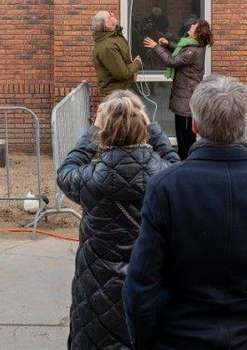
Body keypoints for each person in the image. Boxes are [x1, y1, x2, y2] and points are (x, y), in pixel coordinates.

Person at [123, 75, 247, 349]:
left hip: (178, 336)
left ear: (193, 125)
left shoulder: (166, 187)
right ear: (243, 124)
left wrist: (146, 340)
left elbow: (140, 287)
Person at [57, 91, 180, 350]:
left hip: (98, 284)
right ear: (143, 126)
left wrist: (93, 131)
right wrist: (151, 127)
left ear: (103, 132)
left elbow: (66, 170)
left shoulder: (90, 179)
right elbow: (173, 159)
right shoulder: (165, 176)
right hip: (150, 278)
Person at [144, 17, 212, 159]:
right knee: (184, 137)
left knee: (185, 140)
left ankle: (186, 163)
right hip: (184, 97)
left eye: (195, 25)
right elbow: (182, 53)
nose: (192, 25)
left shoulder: (193, 51)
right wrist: (168, 44)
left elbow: (172, 61)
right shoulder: (194, 46)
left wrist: (155, 47)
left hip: (185, 101)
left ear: (197, 33)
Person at [92, 10, 141, 93]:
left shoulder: (115, 37)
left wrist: (131, 77)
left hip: (123, 90)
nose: (113, 14)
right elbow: (122, 74)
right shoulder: (108, 47)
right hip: (116, 95)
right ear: (108, 25)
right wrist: (137, 63)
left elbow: (123, 63)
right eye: (110, 15)